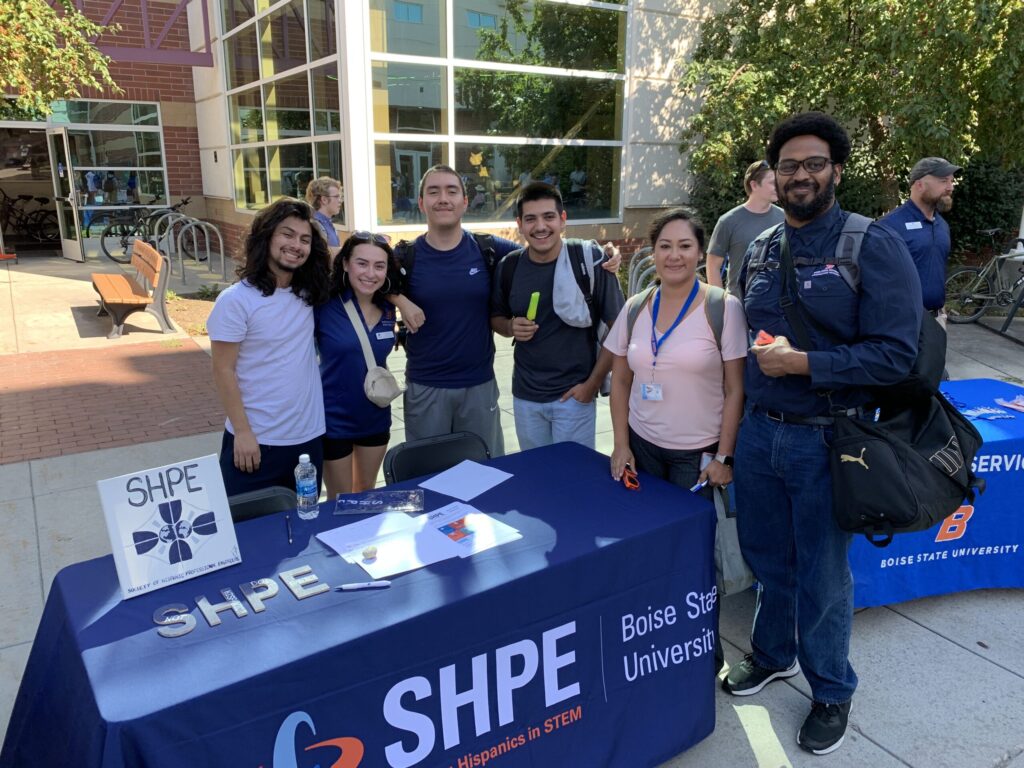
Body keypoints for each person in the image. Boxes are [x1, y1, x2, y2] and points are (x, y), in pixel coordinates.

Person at [724, 112, 921, 755]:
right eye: (788, 166)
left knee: (824, 576)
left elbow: (896, 354)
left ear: (836, 170)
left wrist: (809, 364)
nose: (800, 175)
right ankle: (774, 653)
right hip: (760, 435)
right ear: (773, 177)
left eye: (813, 164)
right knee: (767, 562)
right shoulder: (760, 247)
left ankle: (832, 689)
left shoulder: (871, 244)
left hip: (829, 439)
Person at [390, 164, 621, 457]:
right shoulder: (405, 255)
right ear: (421, 202)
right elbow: (365, 277)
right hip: (425, 385)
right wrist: (398, 299)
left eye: (452, 191)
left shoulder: (487, 248)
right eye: (433, 192)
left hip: (479, 384)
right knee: (428, 471)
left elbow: (541, 246)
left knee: (485, 472)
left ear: (465, 201)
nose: (443, 199)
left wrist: (606, 254)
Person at [605, 207, 746, 672]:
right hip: (643, 450)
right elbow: (621, 381)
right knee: (651, 549)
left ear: (699, 251)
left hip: (697, 458)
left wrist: (724, 455)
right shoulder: (636, 306)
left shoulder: (721, 307)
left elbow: (734, 388)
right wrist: (621, 444)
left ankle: (706, 648)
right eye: (665, 245)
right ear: (652, 251)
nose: (674, 255)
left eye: (685, 246)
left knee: (696, 558)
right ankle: (659, 637)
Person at [208, 198, 331, 497]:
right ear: (267, 236)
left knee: (303, 529)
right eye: (287, 234)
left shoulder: (308, 292)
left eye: (304, 239)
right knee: (247, 533)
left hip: (308, 439)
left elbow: (360, 267)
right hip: (256, 441)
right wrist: (243, 432)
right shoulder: (236, 300)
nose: (296, 245)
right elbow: (224, 370)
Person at [490, 182, 624, 450]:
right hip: (526, 397)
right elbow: (496, 318)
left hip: (574, 397)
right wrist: (510, 326)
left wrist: (592, 384)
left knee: (574, 479)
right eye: (531, 219)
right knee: (537, 477)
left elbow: (620, 330)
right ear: (520, 224)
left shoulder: (589, 259)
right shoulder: (510, 266)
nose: (540, 226)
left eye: (549, 216)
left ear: (563, 220)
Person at [315, 232, 401, 499]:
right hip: (334, 418)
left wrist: (402, 301)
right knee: (339, 499)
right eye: (361, 263)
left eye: (379, 265)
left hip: (375, 415)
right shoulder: (324, 305)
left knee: (365, 493)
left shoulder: (389, 309)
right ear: (345, 264)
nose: (370, 273)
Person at [879, 157, 960, 325]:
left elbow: (936, 271)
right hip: (899, 323)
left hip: (936, 320)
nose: (950, 187)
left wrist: (941, 313)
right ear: (919, 184)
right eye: (943, 181)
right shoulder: (889, 226)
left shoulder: (942, 226)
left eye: (951, 181)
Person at [706, 160, 784, 293]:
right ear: (754, 185)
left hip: (775, 307)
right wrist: (721, 305)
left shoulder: (784, 218)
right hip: (738, 305)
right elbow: (712, 266)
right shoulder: (728, 221)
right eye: (772, 182)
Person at [305, 176, 343, 256]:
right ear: (324, 200)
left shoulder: (326, 222)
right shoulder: (315, 225)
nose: (340, 201)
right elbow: (326, 255)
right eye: (336, 197)